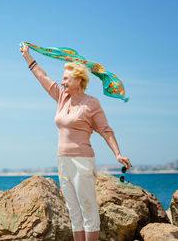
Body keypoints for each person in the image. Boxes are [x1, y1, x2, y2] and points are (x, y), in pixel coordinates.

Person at [20, 43, 132, 241]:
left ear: (79, 80)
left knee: (87, 206)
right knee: (73, 209)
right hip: (63, 160)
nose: (62, 82)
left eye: (66, 79)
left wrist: (118, 154)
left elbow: (105, 130)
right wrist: (27, 56)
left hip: (82, 160)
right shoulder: (62, 97)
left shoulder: (91, 103)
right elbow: (42, 76)